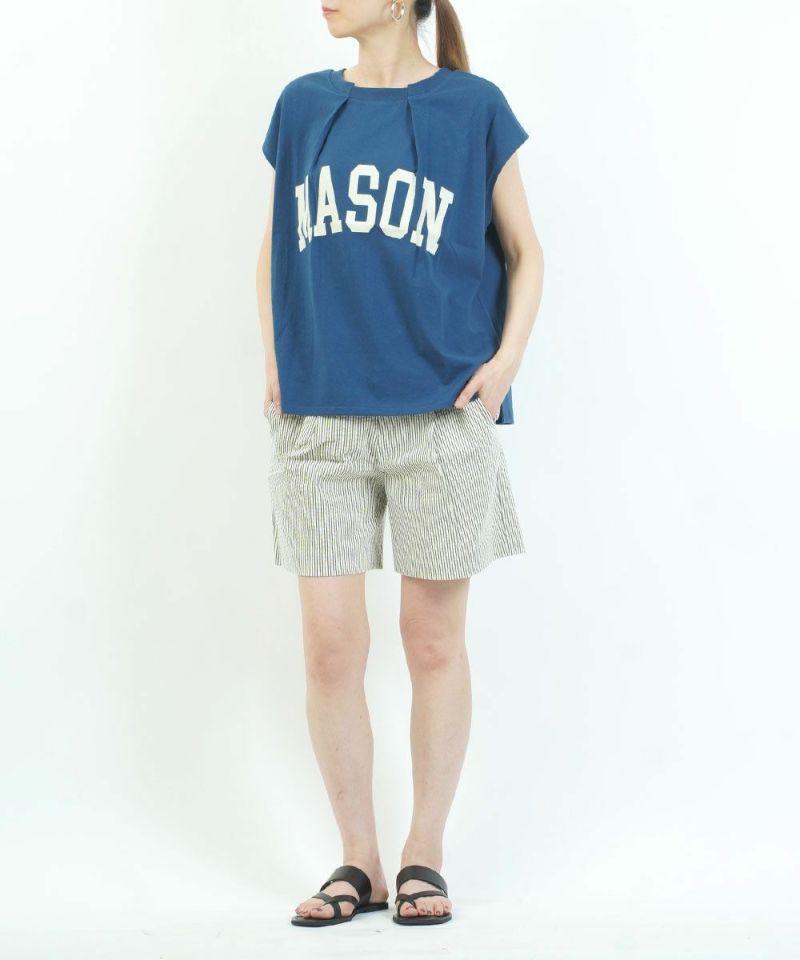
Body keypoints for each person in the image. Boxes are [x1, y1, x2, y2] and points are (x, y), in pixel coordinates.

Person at [255, 0, 544, 928]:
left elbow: (525, 251)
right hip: (322, 420)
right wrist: (276, 359)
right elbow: (275, 245)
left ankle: (425, 853)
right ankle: (358, 861)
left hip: (441, 417)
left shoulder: (473, 106)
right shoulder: (304, 104)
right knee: (330, 648)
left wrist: (505, 365)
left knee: (432, 642)